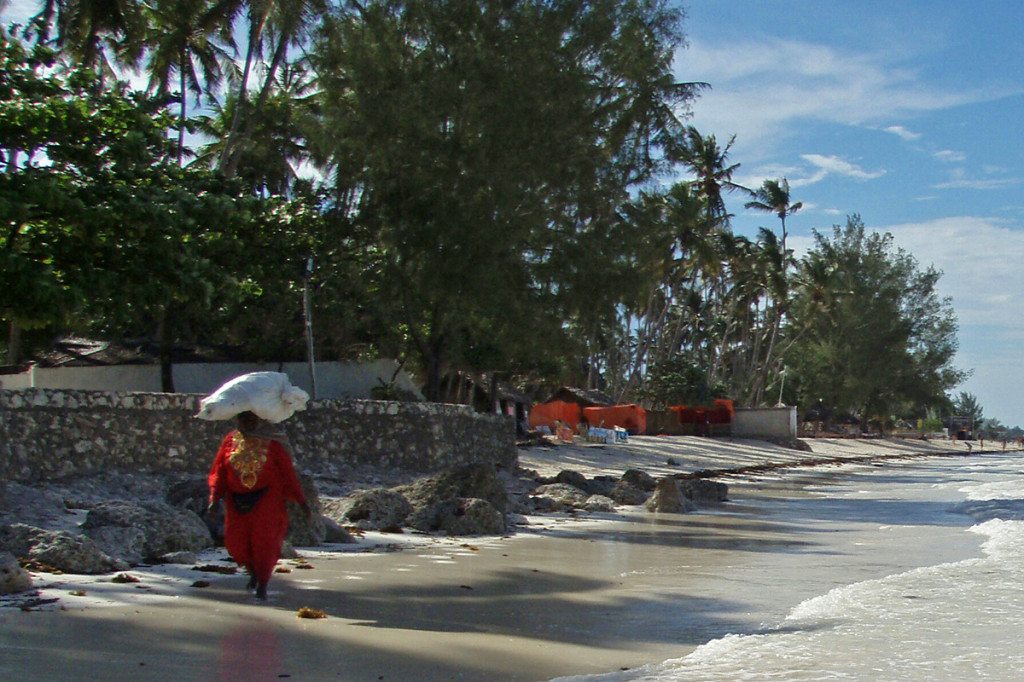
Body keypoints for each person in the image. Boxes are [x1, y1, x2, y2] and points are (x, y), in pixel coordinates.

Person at [207, 411, 310, 600]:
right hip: (236, 500)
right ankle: (252, 570)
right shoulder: (230, 441)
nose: (246, 422)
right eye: (243, 418)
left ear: (259, 419)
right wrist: (214, 498)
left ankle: (262, 583)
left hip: (267, 500)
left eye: (250, 418)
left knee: (264, 543)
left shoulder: (274, 442)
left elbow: (288, 474)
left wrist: (302, 502)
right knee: (235, 543)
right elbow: (220, 470)